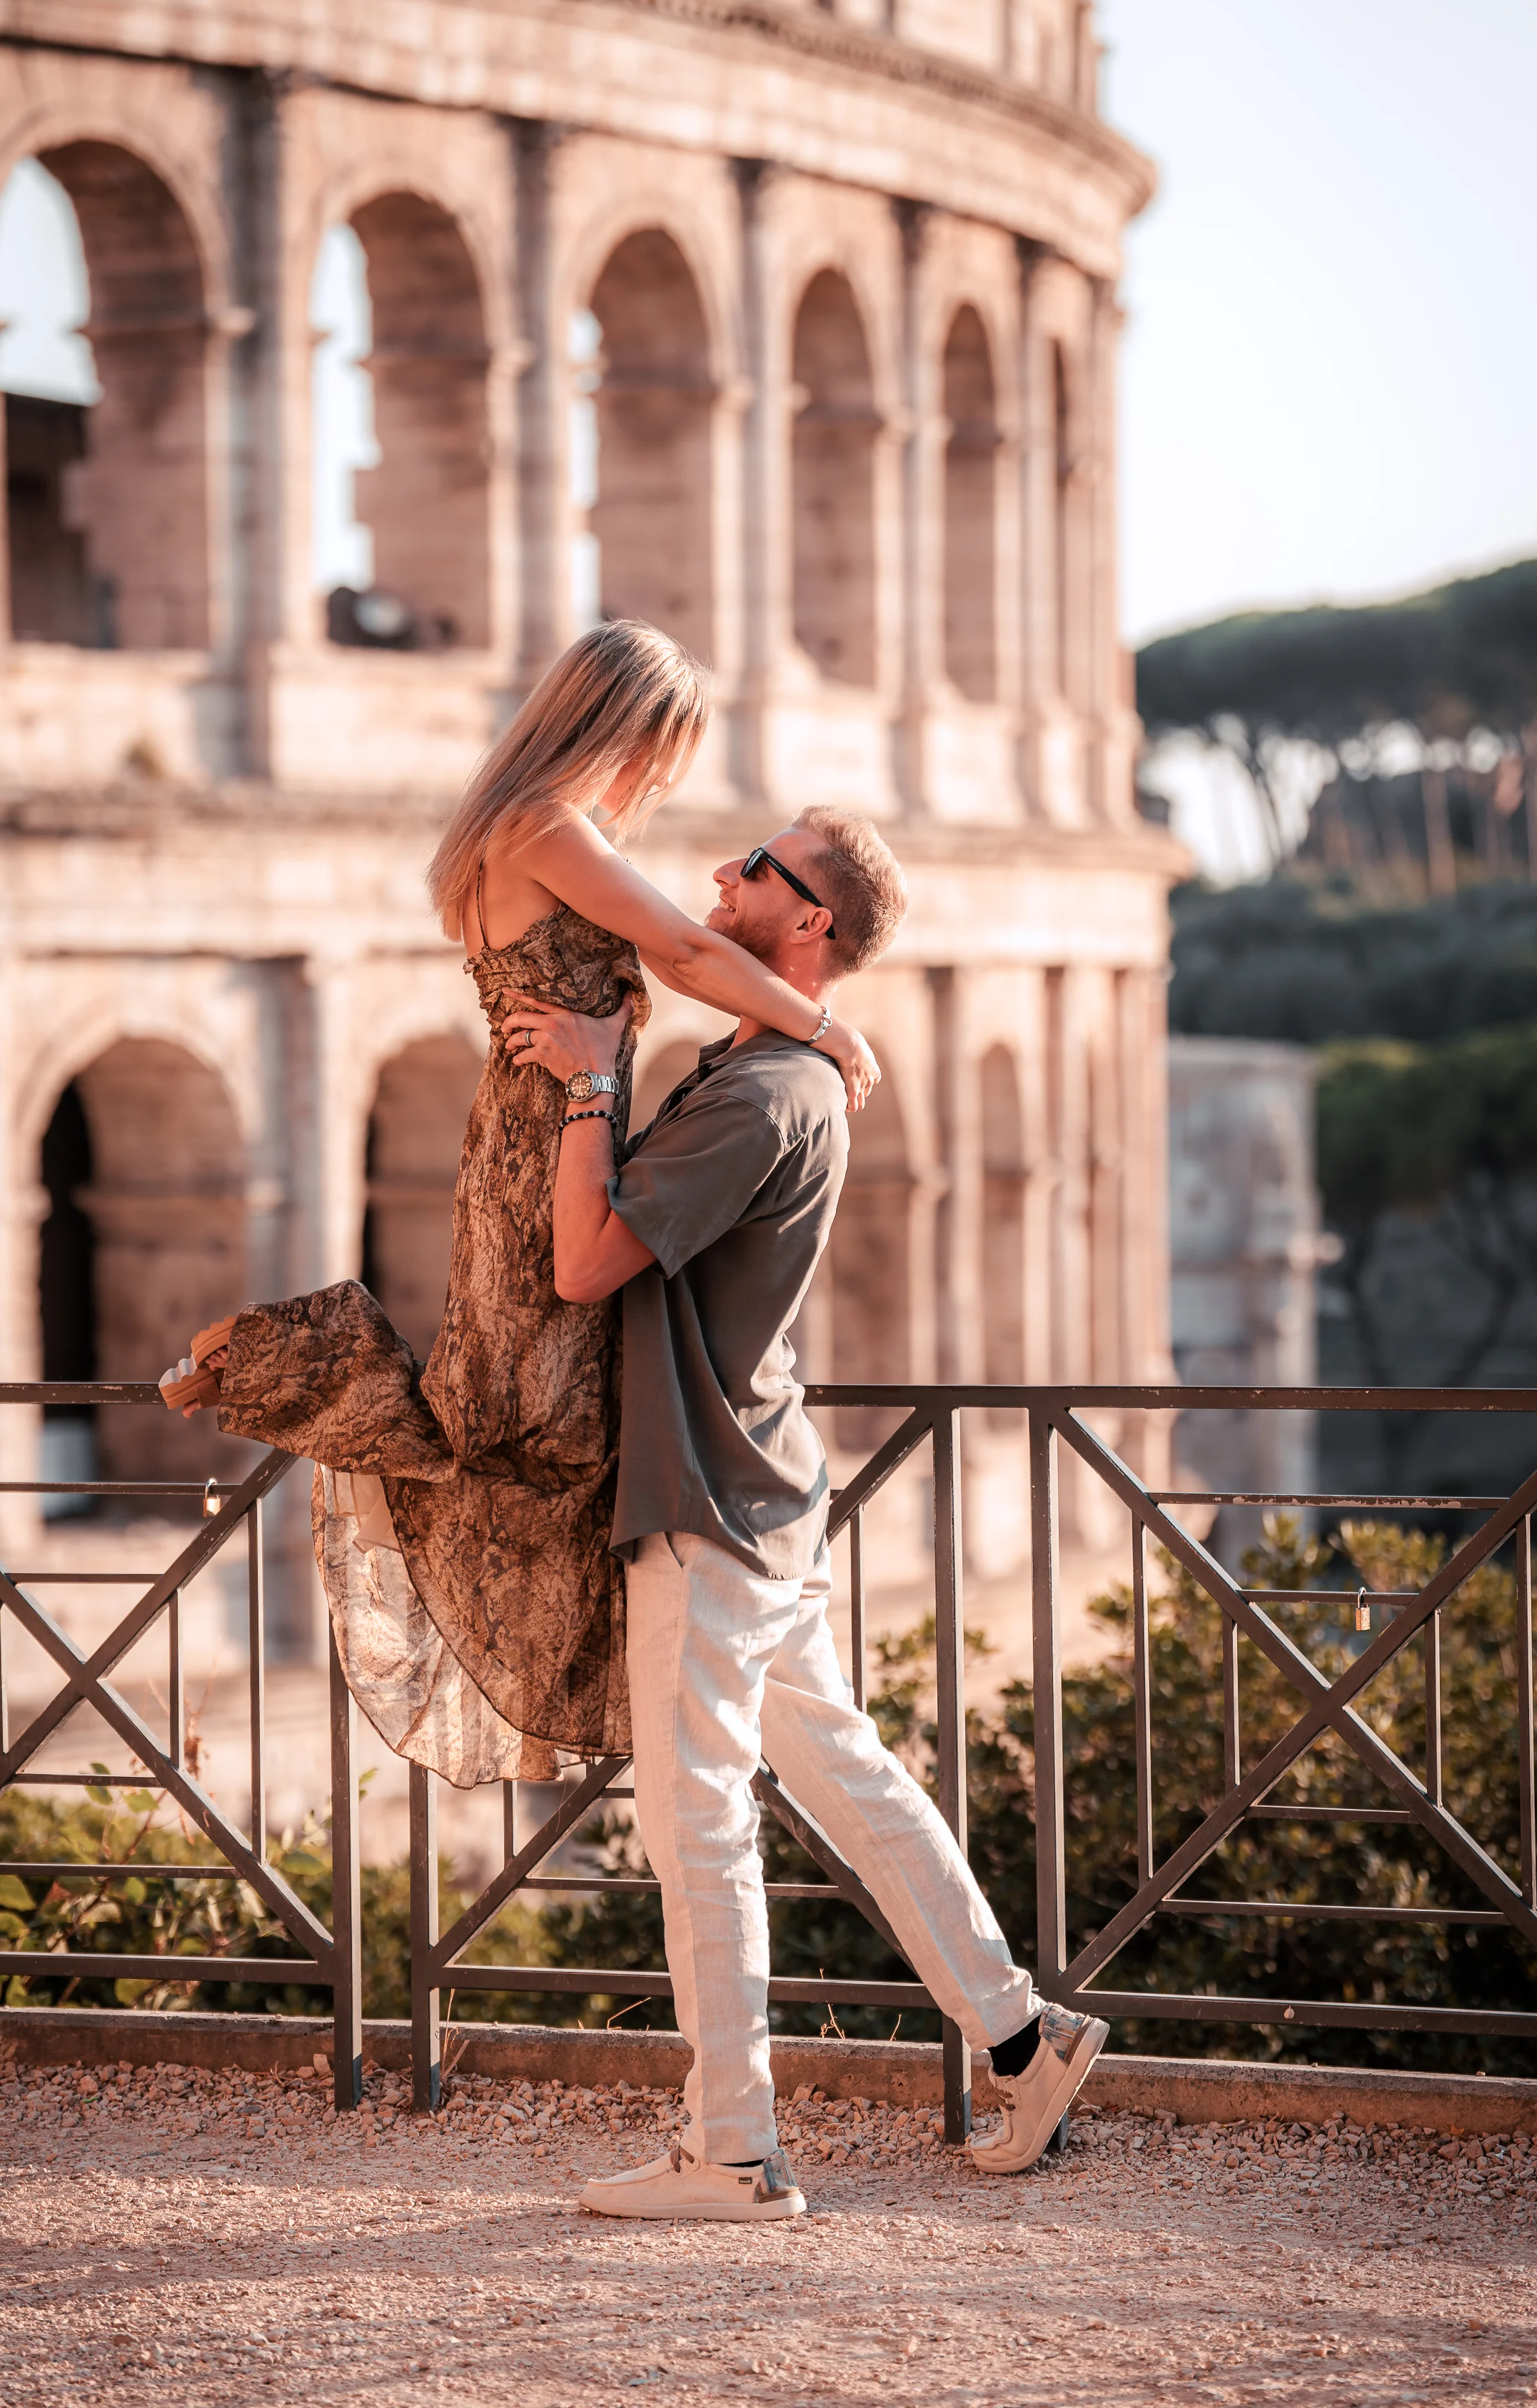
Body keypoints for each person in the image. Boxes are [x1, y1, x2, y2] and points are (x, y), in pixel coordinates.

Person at [503, 806, 1108, 2220]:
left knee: (695, 1818)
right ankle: (1024, 2036)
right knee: (844, 1775)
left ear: (810, 922)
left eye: (750, 869)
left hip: (709, 1492)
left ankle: (731, 2148)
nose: (716, 877)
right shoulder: (777, 1071)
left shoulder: (765, 1094)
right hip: (766, 1481)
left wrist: (593, 1087)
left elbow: (588, 1261)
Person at [161, 620, 880, 1788]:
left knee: (537, 1414)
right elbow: (691, 957)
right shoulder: (545, 825)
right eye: (667, 750)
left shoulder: (524, 826)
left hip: (539, 1130)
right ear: (626, 725)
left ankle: (601, 1651)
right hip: (552, 1135)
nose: (665, 780)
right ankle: (271, 1359)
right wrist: (824, 1023)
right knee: (516, 1421)